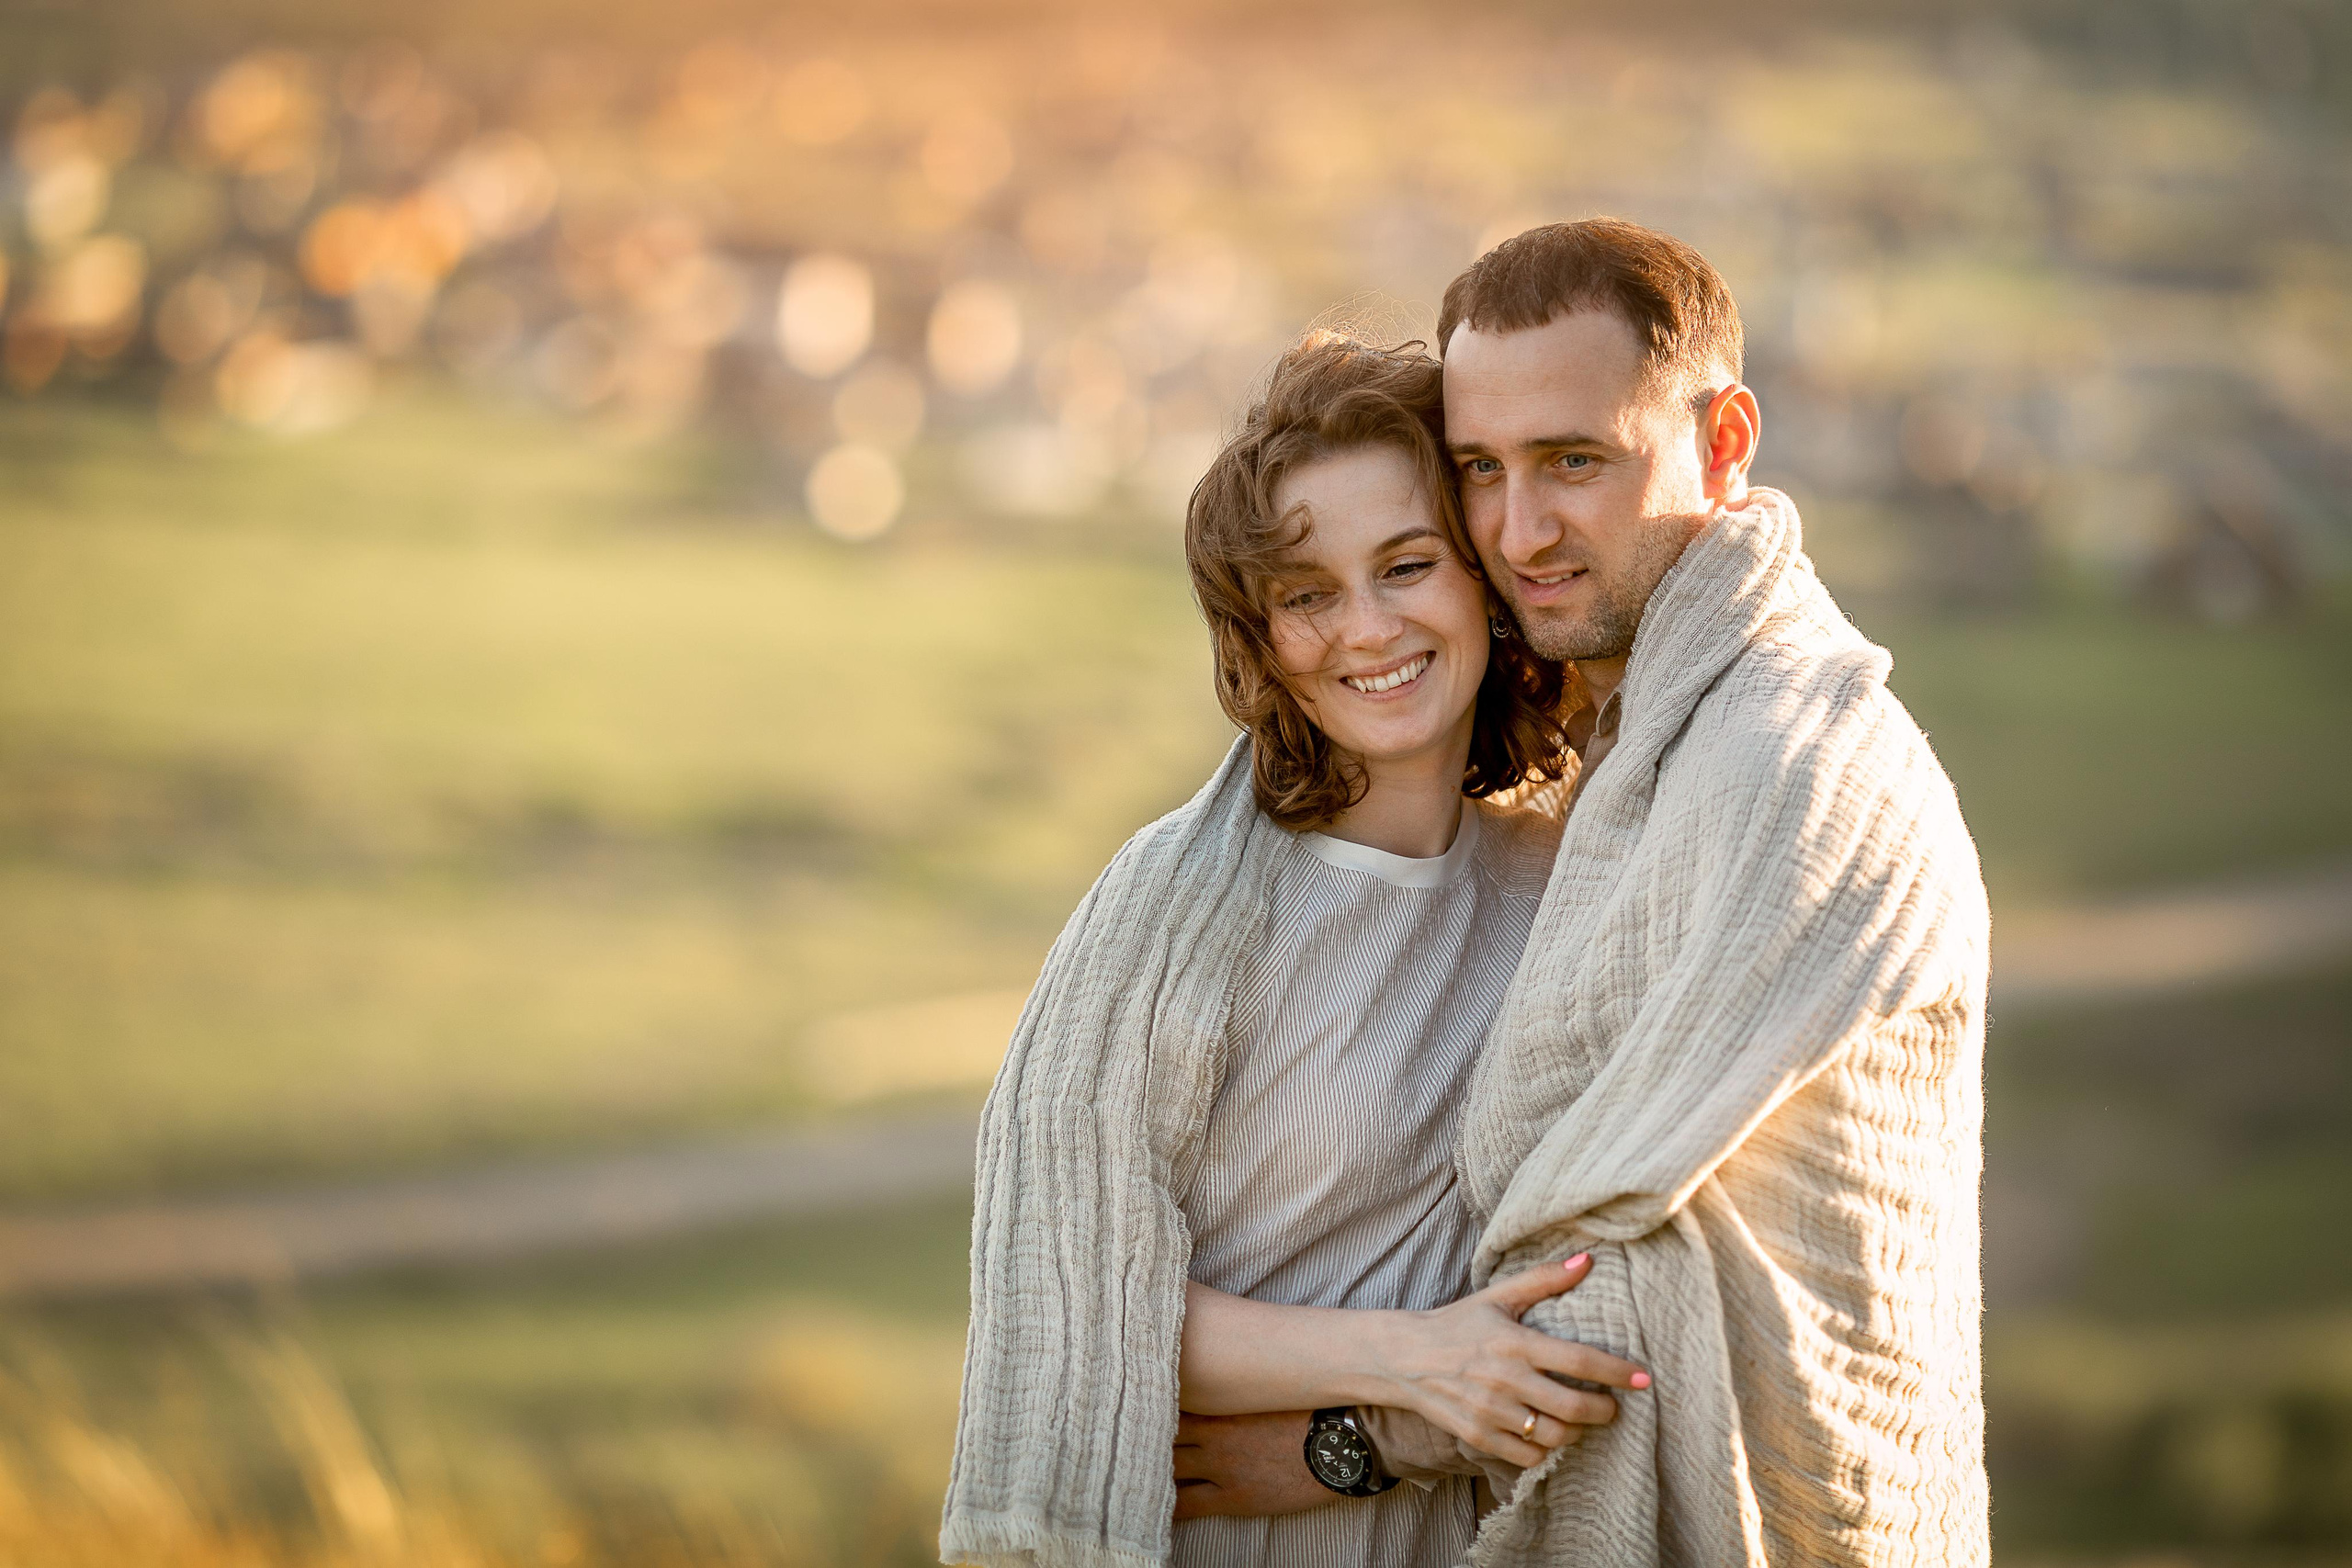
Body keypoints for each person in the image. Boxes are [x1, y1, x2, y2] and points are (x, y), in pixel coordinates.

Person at [1187, 217, 1994, 1565]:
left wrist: (1343, 1445)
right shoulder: (1626, 746)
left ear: (1724, 443)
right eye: (1480, 471)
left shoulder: (1793, 764)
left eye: (1575, 462)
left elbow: (1591, 1270)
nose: (1519, 530)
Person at [939, 332, 1650, 1568]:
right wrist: (1416, 1369)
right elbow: (1070, 1306)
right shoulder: (1171, 911)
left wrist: (1391, 1432)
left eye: (1407, 565)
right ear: (1263, 639)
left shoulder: (1564, 882)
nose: (1366, 629)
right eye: (1308, 593)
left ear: (1482, 576)